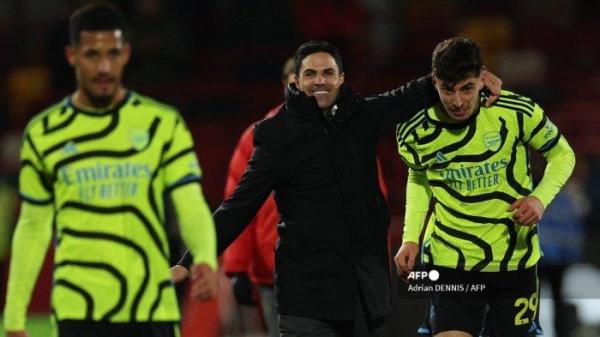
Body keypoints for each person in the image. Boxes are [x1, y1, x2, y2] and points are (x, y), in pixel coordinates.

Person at [176, 40, 502, 337]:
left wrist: (474, 74)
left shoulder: (362, 117)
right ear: (297, 82)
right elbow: (238, 206)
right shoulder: (274, 136)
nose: (320, 80)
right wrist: (191, 260)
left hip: (363, 295)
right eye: (311, 73)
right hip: (306, 298)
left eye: (329, 72)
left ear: (342, 78)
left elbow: (412, 94)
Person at [3, 3, 217, 337]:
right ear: (72, 55)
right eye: (92, 54)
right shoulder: (44, 133)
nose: (103, 65)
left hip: (150, 303)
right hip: (80, 305)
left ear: (126, 53)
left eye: (112, 53)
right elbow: (33, 226)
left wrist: (204, 256)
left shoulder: (161, 123)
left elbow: (190, 202)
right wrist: (15, 315)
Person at [394, 36, 576, 337]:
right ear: (434, 82)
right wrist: (410, 238)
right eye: (447, 89)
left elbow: (562, 154)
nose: (457, 101)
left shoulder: (515, 111)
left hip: (513, 260)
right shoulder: (417, 128)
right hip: (451, 258)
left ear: (483, 78)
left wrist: (539, 199)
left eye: (466, 88)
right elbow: (419, 175)